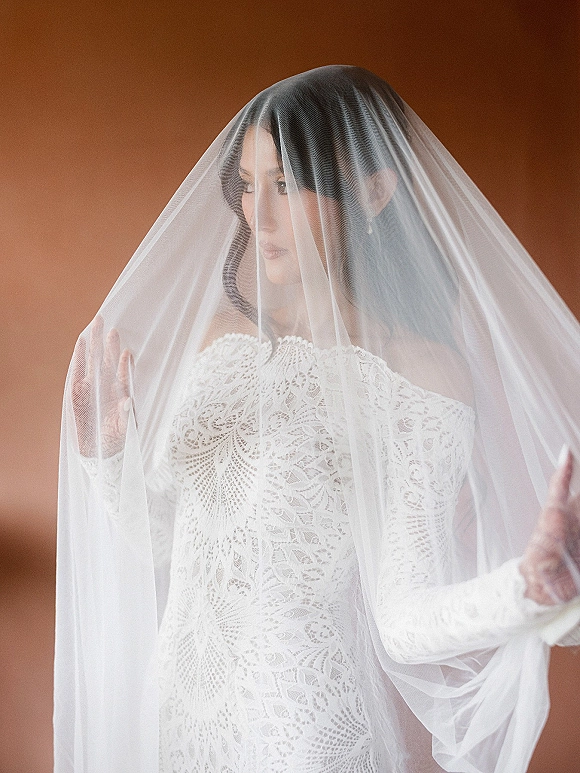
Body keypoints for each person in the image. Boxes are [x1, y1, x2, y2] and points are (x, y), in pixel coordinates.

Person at [54, 66, 580, 773]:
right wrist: (108, 455)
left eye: (285, 184)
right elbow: (160, 544)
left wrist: (526, 584)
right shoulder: (219, 343)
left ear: (373, 189)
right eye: (247, 183)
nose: (255, 215)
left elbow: (404, 616)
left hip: (300, 735)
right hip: (174, 730)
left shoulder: (420, 381)